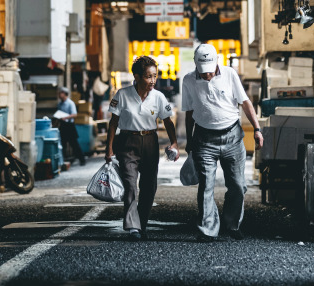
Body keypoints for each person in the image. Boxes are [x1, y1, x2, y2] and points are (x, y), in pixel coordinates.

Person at [182, 43, 263, 242]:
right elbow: (189, 112)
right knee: (206, 186)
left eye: (209, 72)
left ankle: (232, 224)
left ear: (216, 62)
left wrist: (257, 129)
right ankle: (207, 230)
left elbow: (245, 102)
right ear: (195, 65)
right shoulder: (188, 80)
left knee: (237, 185)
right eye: (203, 73)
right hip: (204, 140)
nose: (207, 76)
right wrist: (189, 139)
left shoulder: (229, 74)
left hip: (233, 138)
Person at [105, 55, 179, 240]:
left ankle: (142, 224)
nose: (153, 80)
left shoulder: (159, 97)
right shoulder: (122, 95)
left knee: (149, 186)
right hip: (127, 143)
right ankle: (133, 227)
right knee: (130, 184)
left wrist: (174, 143)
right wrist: (109, 149)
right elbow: (113, 123)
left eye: (155, 76)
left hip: (150, 143)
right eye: (148, 76)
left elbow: (168, 122)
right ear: (137, 77)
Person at [56, 87, 86, 166]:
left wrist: (65, 117)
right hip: (63, 125)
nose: (59, 95)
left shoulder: (70, 103)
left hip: (69, 125)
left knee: (74, 144)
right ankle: (63, 161)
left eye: (60, 93)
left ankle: (82, 159)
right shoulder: (60, 104)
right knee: (62, 144)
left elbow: (74, 114)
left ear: (64, 93)